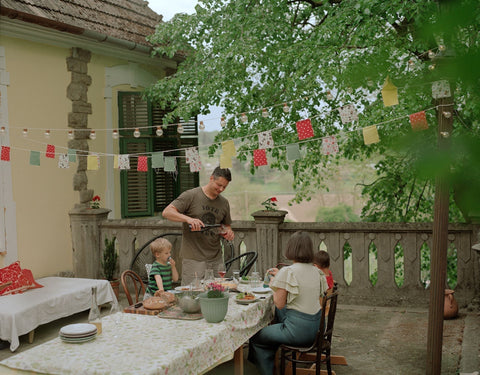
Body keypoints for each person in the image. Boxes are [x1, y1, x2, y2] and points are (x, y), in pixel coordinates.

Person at [248, 231, 328, 375]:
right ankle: (274, 361)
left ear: (290, 248)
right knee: (276, 320)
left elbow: (279, 303)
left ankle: (266, 370)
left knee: (256, 337)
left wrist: (275, 284)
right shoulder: (317, 271)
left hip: (298, 333)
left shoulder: (288, 271)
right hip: (317, 328)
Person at [162, 166, 235, 285]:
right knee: (192, 297)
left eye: (224, 187)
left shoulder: (224, 203)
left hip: (216, 259)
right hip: (193, 259)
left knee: (217, 294)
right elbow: (167, 212)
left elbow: (226, 226)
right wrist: (188, 219)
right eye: (219, 185)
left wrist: (228, 232)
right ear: (211, 178)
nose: (221, 189)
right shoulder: (191, 195)